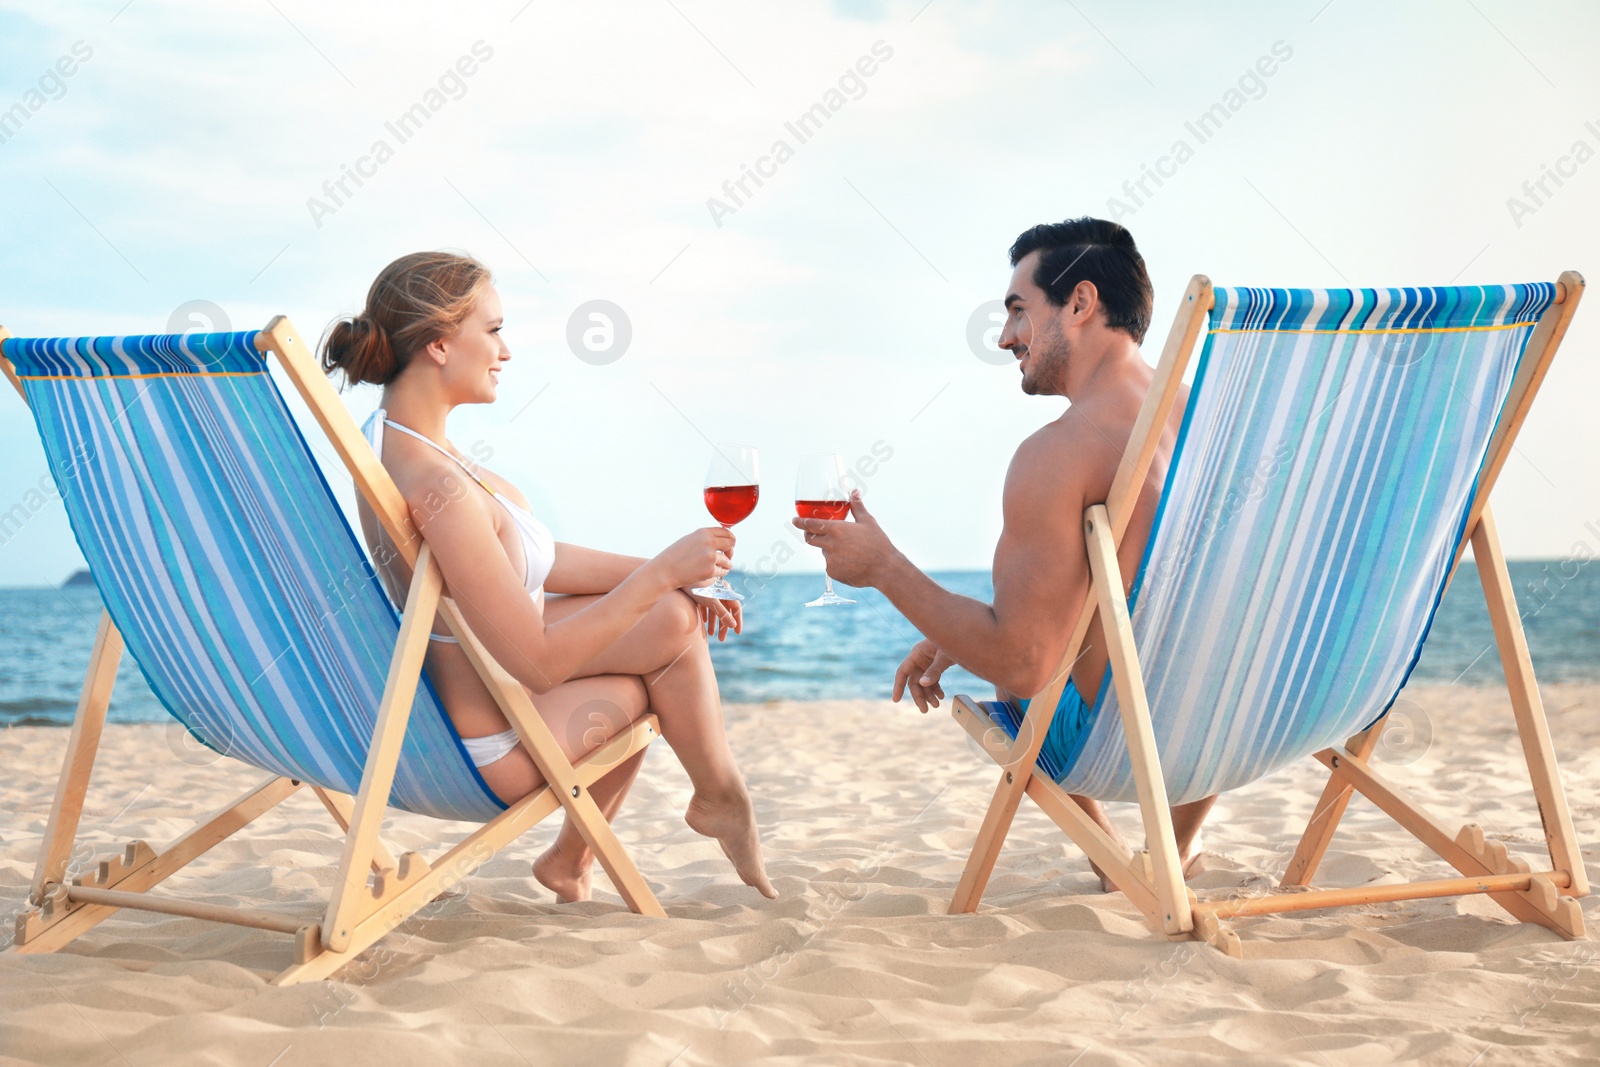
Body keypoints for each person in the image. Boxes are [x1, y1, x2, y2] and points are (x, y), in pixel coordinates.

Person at [321, 251, 776, 902]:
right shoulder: (437, 484)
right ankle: (719, 793)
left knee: (670, 616)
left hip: (475, 693)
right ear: (441, 343)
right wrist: (664, 576)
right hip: (493, 743)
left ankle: (588, 853)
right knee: (661, 648)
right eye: (495, 329)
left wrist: (670, 573)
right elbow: (535, 662)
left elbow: (536, 559)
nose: (506, 351)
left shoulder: (403, 442)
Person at [793, 218, 1215, 888]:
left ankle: (1112, 858)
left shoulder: (1058, 455)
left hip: (1135, 750)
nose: (1005, 336)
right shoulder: (1212, 424)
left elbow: (1023, 658)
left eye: (1019, 311)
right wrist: (962, 626)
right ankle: (1180, 848)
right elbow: (1142, 593)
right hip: (1232, 727)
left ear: (1079, 304)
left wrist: (884, 569)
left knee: (1017, 677)